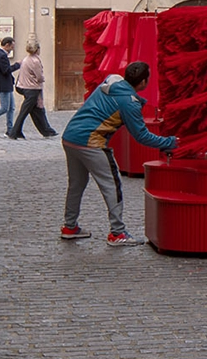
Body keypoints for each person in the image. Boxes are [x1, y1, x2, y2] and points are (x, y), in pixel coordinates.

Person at [60, 60, 177, 245]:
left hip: (70, 137)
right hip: (92, 142)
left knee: (76, 184)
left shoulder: (112, 80)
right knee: (111, 185)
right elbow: (142, 136)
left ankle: (69, 226)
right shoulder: (129, 103)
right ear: (144, 82)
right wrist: (169, 142)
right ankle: (117, 232)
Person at [8, 40, 57, 139]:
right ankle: (14, 132)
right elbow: (39, 76)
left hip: (26, 87)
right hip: (32, 88)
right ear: (37, 49)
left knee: (37, 111)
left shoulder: (26, 59)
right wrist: (43, 79)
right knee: (25, 111)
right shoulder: (35, 61)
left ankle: (47, 131)